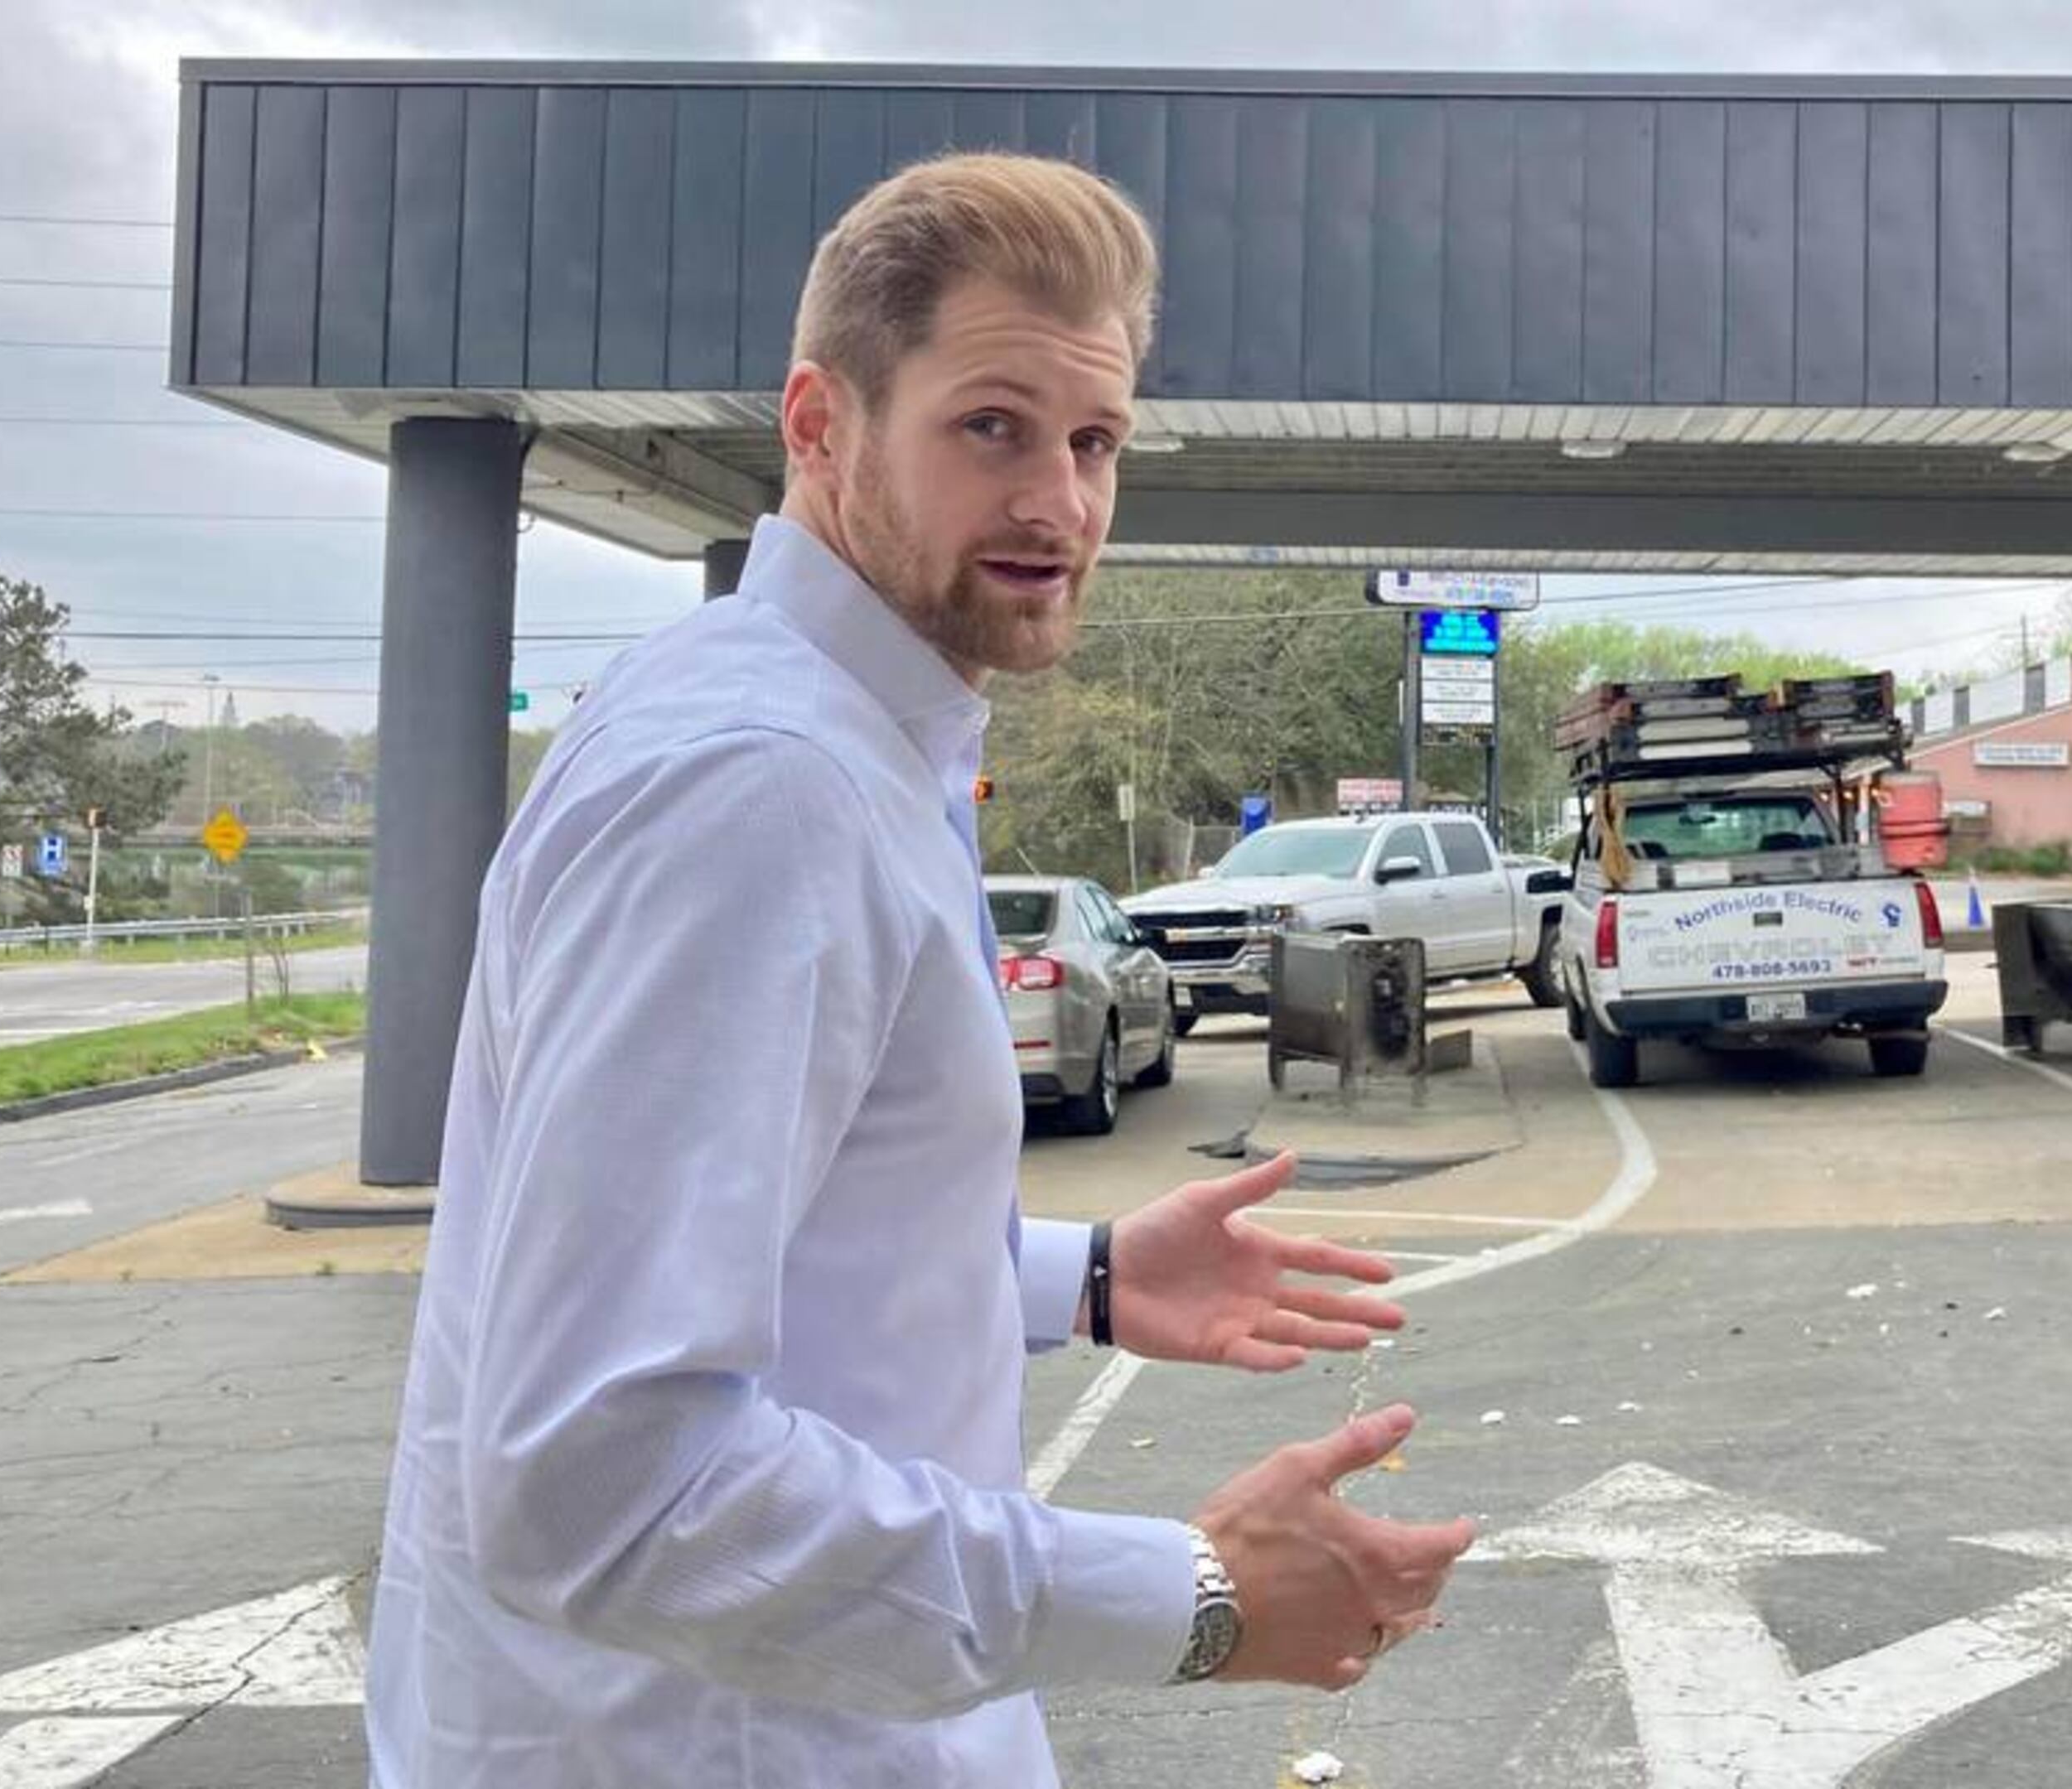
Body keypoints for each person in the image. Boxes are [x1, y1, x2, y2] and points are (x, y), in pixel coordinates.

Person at [366, 153, 1476, 1788]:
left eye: (1095, 442)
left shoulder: (812, 728)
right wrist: (1194, 1596)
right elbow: (596, 1480)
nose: (1060, 505)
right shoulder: (761, 784)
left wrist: (1078, 1275)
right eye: (991, 427)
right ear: (819, 424)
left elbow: (767, 1224)